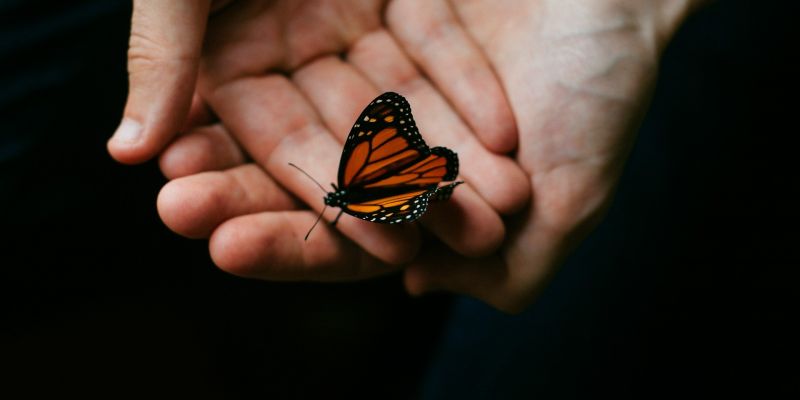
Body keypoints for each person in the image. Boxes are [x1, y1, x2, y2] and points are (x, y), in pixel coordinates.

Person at [108, 0, 707, 313]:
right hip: (419, 180)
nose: (333, 198)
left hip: (417, 186)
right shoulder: (352, 181)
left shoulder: (349, 182)